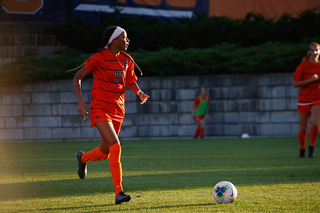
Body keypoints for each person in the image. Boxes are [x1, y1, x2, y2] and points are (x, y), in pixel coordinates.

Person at [73, 26, 150, 204]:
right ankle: (119, 192)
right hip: (100, 109)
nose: (128, 40)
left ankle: (83, 157)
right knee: (116, 146)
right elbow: (77, 77)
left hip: (118, 111)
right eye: (125, 37)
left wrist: (139, 93)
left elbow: (130, 80)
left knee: (103, 153)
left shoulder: (126, 60)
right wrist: (81, 101)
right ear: (114, 40)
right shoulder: (99, 58)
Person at [293, 42, 320, 158]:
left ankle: (311, 149)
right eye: (312, 50)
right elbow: (295, 84)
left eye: (317, 50)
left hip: (317, 99)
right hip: (303, 100)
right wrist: (311, 79)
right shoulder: (302, 66)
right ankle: (302, 150)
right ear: (309, 52)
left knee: (315, 123)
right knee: (303, 129)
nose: (314, 52)